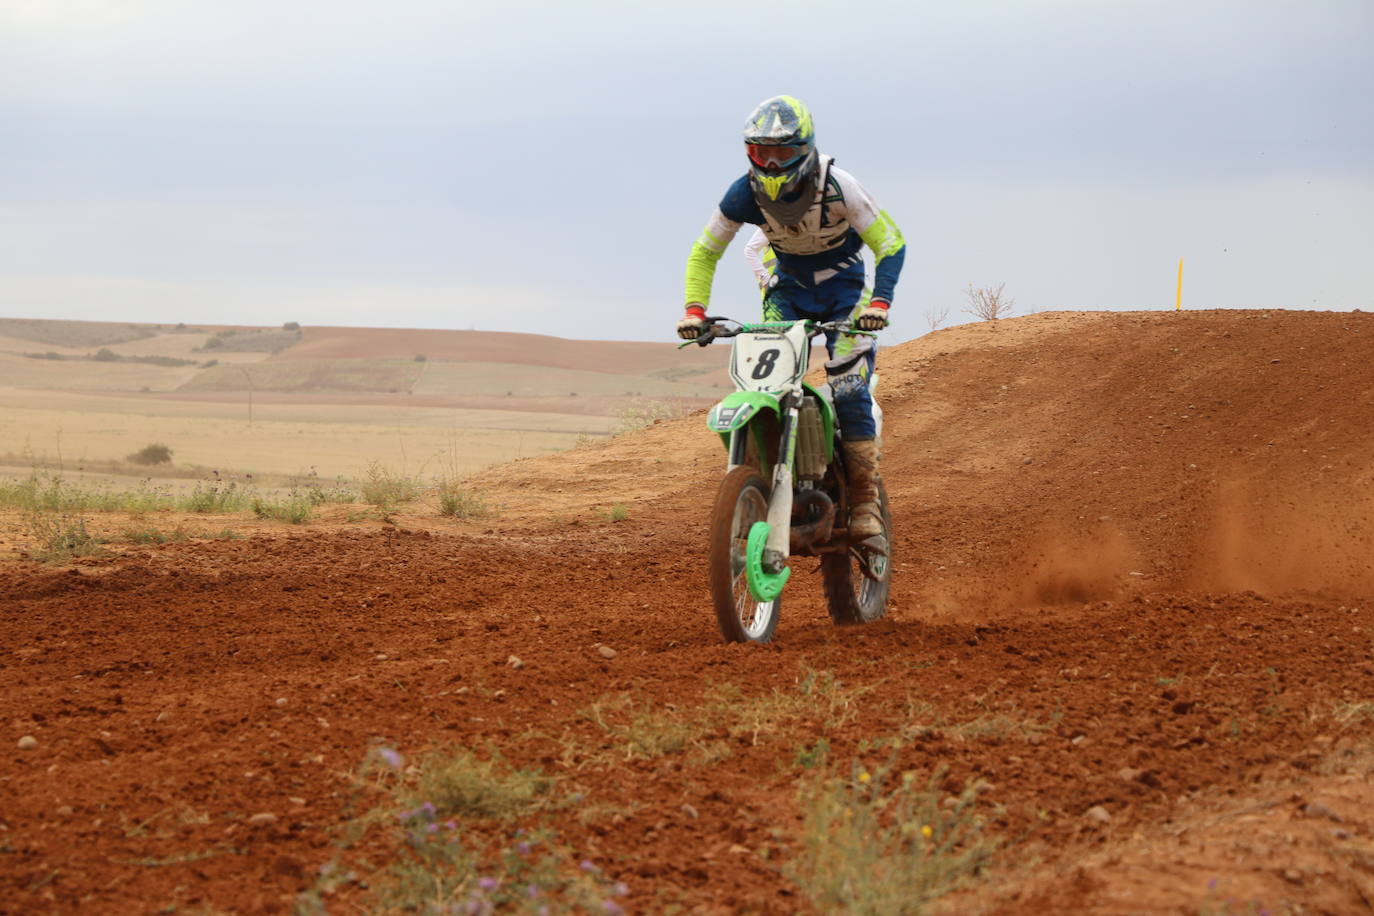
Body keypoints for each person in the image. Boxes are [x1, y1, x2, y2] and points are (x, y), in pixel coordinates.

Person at [676, 95, 906, 538]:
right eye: (763, 152)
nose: (774, 162)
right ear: (750, 152)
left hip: (846, 293)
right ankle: (766, 484)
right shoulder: (742, 192)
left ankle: (864, 503)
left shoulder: (838, 185)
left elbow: (890, 243)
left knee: (847, 385)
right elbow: (705, 251)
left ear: (806, 148)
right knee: (769, 384)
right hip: (788, 291)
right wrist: (694, 310)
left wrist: (879, 304)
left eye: (784, 152)